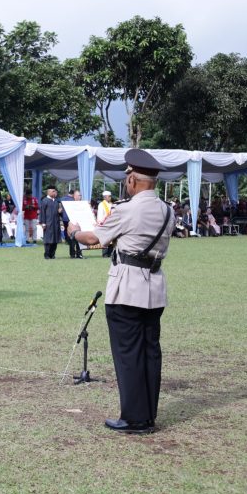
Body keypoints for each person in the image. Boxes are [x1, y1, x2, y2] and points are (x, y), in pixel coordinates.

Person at [68, 149, 174, 435]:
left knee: (128, 355)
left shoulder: (127, 209)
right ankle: (148, 414)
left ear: (134, 180)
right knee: (150, 353)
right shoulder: (167, 210)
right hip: (154, 287)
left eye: (128, 176)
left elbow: (94, 238)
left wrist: (73, 232)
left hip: (128, 287)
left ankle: (134, 418)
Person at [39, 185, 61, 259]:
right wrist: (43, 223)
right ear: (48, 192)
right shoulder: (45, 201)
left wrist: (60, 212)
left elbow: (59, 213)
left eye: (55, 191)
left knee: (55, 239)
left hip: (56, 223)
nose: (55, 192)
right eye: (53, 191)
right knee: (48, 239)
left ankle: (52, 254)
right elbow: (42, 213)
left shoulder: (57, 201)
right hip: (48, 223)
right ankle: (47, 254)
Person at [60, 189, 84, 258]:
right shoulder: (70, 204)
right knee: (72, 239)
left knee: (80, 239)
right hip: (72, 224)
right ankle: (72, 254)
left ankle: (79, 254)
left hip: (80, 224)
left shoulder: (82, 204)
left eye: (80, 195)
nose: (80, 197)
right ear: (74, 196)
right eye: (79, 195)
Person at [98, 190, 114, 257]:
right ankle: (105, 254)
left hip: (112, 224)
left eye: (110, 196)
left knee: (112, 240)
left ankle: (109, 253)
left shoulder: (111, 204)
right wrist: (101, 223)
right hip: (105, 224)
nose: (110, 197)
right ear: (105, 197)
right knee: (106, 240)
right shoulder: (101, 204)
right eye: (109, 196)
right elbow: (100, 215)